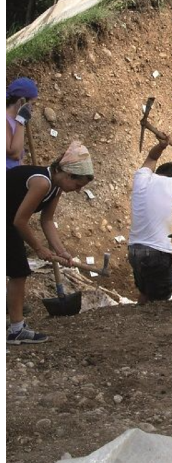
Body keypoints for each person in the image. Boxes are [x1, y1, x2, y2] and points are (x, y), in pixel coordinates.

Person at [7, 141, 94, 344]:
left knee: (17, 271)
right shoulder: (42, 183)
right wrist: (39, 248)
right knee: (19, 271)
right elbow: (20, 221)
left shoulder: (56, 188)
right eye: (78, 185)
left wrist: (61, 251)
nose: (78, 190)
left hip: (8, 220)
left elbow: (47, 220)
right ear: (67, 174)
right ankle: (16, 329)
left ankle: (16, 328)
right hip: (9, 220)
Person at [127, 131, 172, 304]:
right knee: (161, 300)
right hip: (157, 253)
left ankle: (136, 326)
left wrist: (161, 146)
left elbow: (151, 158)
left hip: (134, 250)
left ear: (157, 172)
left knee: (145, 293)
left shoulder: (142, 178)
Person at [6, 77, 38, 169]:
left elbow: (18, 159)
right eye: (32, 103)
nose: (32, 108)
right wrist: (20, 121)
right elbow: (15, 154)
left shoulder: (14, 119)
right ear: (21, 101)